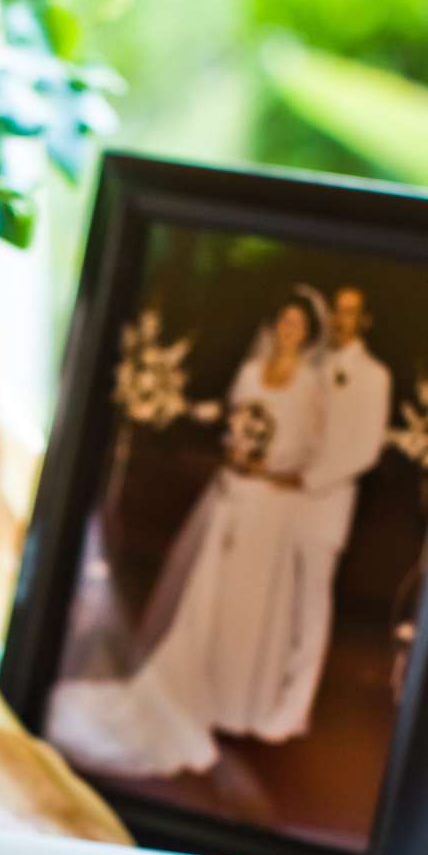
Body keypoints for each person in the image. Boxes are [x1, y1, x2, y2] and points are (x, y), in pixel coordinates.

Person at [45, 292, 331, 778]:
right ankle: (192, 688)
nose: (289, 329)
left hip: (271, 508)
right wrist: (238, 453)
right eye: (284, 318)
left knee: (253, 601)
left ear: (308, 333)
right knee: (212, 595)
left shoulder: (308, 383)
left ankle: (237, 700)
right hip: (231, 496)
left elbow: (309, 449)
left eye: (299, 324)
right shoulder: (250, 373)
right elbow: (234, 423)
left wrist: (268, 465)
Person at [275, 285, 394, 722]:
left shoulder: (375, 376)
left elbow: (365, 449)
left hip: (325, 506)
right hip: (280, 503)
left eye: (351, 313)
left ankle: (293, 710)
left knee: (310, 607)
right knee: (276, 600)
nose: (341, 320)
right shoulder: (313, 363)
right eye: (337, 311)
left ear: (363, 321)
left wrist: (306, 478)